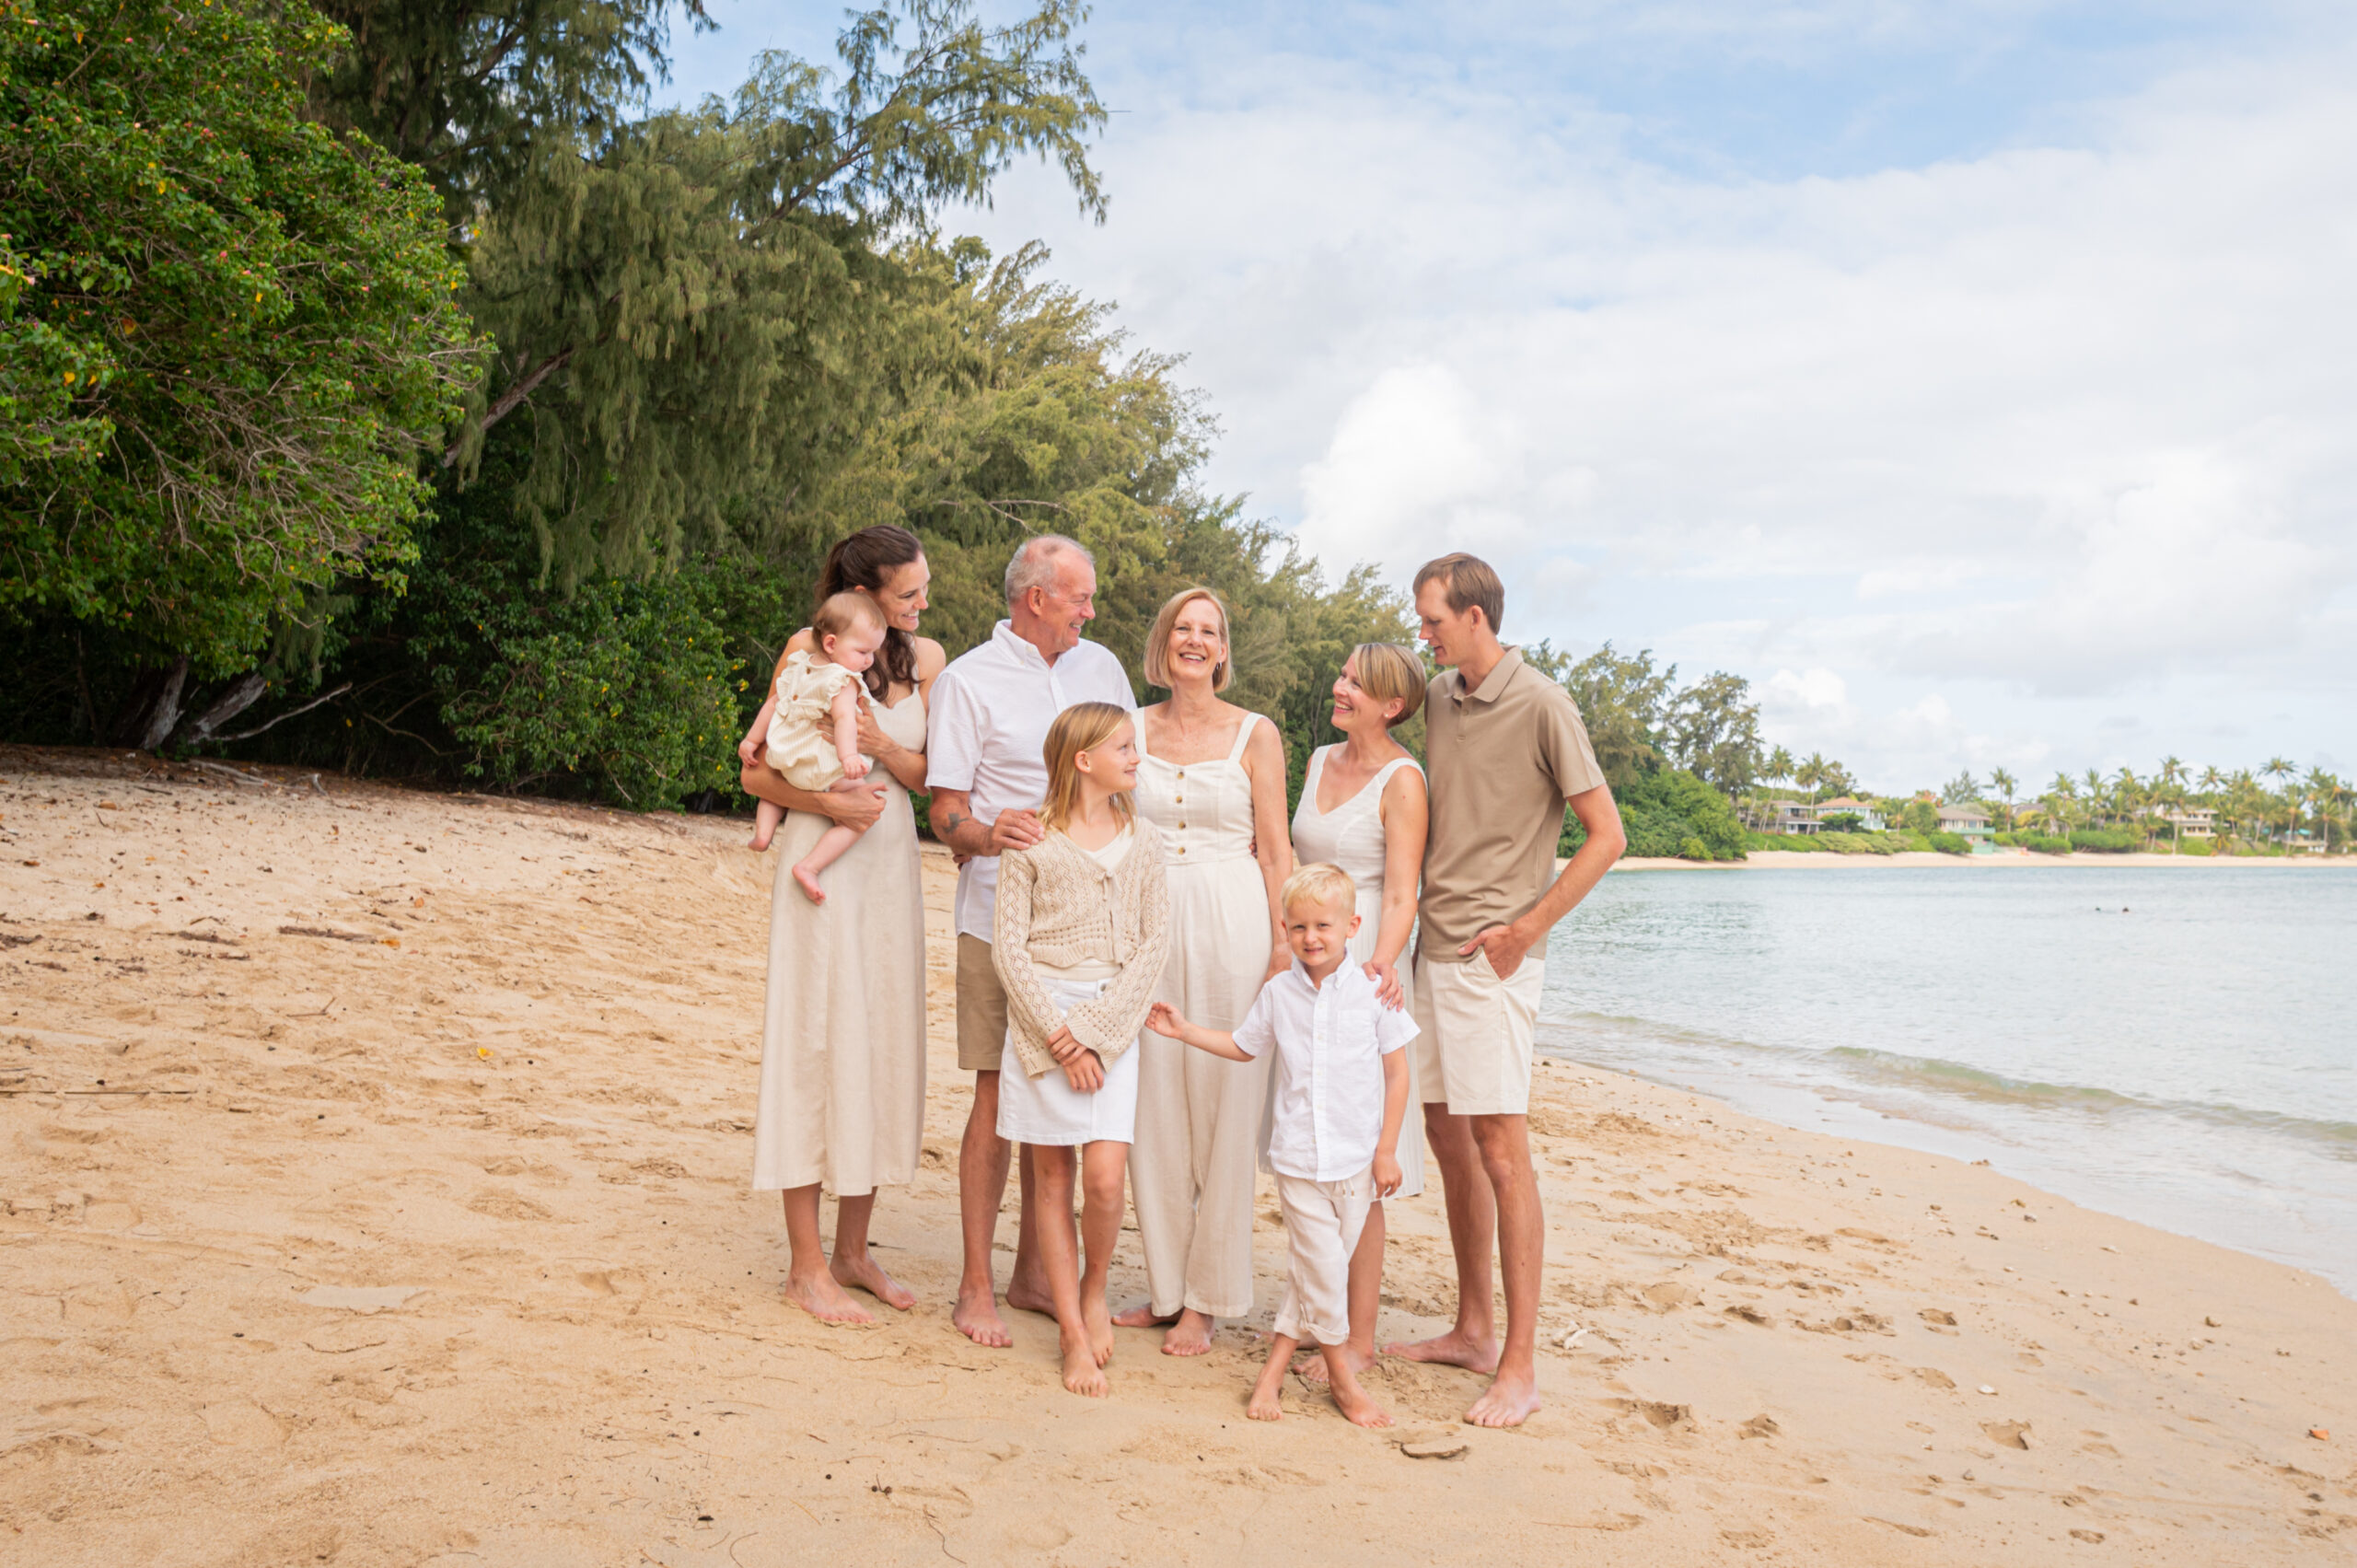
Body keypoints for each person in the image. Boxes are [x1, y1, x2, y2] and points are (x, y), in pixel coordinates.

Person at [1387, 552, 1625, 1428]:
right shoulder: (1444, 698)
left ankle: (1519, 1366)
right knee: (1448, 1139)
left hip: (1496, 961)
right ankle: (1473, 1329)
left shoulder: (1544, 702)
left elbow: (1608, 835)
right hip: (1432, 952)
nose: (1424, 631)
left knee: (1500, 1149)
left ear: (1476, 616)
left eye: (1433, 618)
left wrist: (1528, 930)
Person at [925, 535, 1138, 1348]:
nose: (1090, 610)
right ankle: (976, 1284)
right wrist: (990, 830)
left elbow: (1128, 778)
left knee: (1073, 1099)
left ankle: (1032, 1276)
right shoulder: (969, 682)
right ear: (1036, 596)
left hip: (1093, 932)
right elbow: (945, 812)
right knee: (997, 1096)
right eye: (1080, 596)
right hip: (997, 918)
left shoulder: (1102, 668)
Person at [746, 526, 945, 1325]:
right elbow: (756, 766)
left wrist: (879, 744)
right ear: (863, 593)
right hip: (822, 857)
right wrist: (827, 801)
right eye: (908, 594)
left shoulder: (927, 661)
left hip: (890, 864)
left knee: (876, 1041)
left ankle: (854, 1250)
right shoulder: (810, 645)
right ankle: (804, 1265)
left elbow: (934, 778)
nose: (923, 606)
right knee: (814, 1040)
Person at [1146, 863, 1414, 1429]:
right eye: (1297, 928)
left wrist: (1387, 1149)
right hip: (1298, 1160)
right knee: (1320, 1265)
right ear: (1284, 928)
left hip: (1357, 1163)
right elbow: (1245, 1047)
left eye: (1323, 926)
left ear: (1352, 925)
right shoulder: (1278, 993)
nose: (1311, 938)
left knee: (1314, 1272)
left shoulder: (1373, 992)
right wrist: (1186, 1030)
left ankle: (1273, 1369)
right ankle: (1342, 1376)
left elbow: (1398, 1075)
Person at [1117, 586, 1294, 1356]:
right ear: (1163, 644)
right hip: (1147, 917)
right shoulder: (1128, 729)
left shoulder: (1256, 733)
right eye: (1182, 627)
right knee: (1149, 1098)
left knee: (1227, 1101)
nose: (1194, 639)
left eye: (1209, 630)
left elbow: (1277, 848)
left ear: (1224, 650)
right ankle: (1165, 1287)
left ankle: (1209, 1297)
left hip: (1234, 917)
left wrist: (1284, 945)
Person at [993, 703, 1171, 1397]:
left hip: (1113, 1019)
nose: (1135, 756)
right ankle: (1071, 1327)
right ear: (1083, 760)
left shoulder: (1145, 840)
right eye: (1123, 747)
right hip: (1042, 1020)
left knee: (1103, 1178)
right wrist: (1059, 1039)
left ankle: (1095, 1287)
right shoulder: (1031, 841)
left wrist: (1095, 1033)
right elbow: (1010, 950)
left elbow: (1154, 944)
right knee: (1050, 1178)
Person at [1287, 642, 1430, 1385]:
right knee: (1315, 1145)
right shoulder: (1316, 761)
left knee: (1360, 1158)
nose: (1338, 686)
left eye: (1355, 683)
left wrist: (1382, 960)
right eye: (1340, 673)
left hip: (1367, 959)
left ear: (1392, 705)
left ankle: (1360, 1338)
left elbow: (1404, 889)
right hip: (1311, 954)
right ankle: (1321, 1315)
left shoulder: (1405, 779)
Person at [739, 593, 888, 902]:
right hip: (823, 766)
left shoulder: (797, 666)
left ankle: (763, 834)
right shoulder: (843, 679)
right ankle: (810, 866)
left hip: (786, 757)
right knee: (859, 814)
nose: (869, 660)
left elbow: (772, 705)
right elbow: (845, 719)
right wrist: (848, 758)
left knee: (773, 791)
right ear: (832, 643)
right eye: (863, 651)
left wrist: (752, 741)